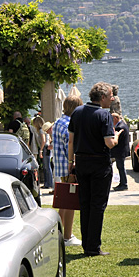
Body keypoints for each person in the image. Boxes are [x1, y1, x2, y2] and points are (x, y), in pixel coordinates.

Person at [68, 82, 121, 257]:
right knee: (98, 205)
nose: (112, 99)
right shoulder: (104, 115)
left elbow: (71, 141)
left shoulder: (77, 112)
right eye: (111, 95)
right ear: (103, 97)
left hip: (81, 162)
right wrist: (117, 136)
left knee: (85, 204)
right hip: (99, 163)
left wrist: (70, 163)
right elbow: (109, 143)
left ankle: (87, 245)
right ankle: (93, 247)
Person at [52, 94, 84, 246]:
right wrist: (74, 164)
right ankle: (67, 236)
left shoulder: (58, 121)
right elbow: (69, 146)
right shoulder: (70, 123)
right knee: (69, 203)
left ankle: (58, 232)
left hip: (60, 166)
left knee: (64, 203)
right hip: (68, 166)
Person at [110, 113, 131, 191]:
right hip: (122, 150)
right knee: (120, 167)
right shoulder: (123, 124)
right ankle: (122, 183)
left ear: (115, 118)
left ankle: (124, 184)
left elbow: (116, 141)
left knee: (121, 168)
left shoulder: (119, 127)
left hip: (120, 151)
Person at [41, 121, 54, 189]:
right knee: (47, 167)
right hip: (48, 148)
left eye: (47, 131)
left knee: (47, 167)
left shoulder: (53, 132)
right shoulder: (52, 133)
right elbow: (50, 140)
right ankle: (49, 183)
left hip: (46, 148)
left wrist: (41, 150)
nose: (47, 132)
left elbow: (44, 141)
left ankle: (49, 183)